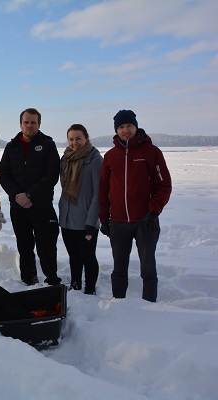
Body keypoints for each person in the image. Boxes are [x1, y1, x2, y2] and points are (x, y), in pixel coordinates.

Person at [99, 110, 172, 302]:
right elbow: (103, 190)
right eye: (121, 127)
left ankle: (149, 306)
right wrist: (104, 219)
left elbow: (164, 186)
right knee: (119, 268)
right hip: (118, 222)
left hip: (145, 221)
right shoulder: (110, 156)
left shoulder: (151, 152)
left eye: (129, 126)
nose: (126, 130)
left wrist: (154, 211)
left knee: (148, 269)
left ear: (136, 127)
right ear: (116, 130)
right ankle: (118, 304)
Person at [0, 108, 61, 286]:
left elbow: (52, 175)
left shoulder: (48, 144)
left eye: (33, 122)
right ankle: (28, 279)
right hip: (18, 206)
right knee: (24, 246)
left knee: (46, 246)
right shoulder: (12, 147)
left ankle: (51, 280)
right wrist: (17, 195)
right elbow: (3, 174)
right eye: (26, 122)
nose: (29, 125)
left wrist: (30, 195)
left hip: (41, 205)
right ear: (21, 124)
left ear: (39, 124)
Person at [58, 124, 103, 295]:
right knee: (74, 256)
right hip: (67, 218)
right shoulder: (66, 158)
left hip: (86, 220)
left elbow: (99, 193)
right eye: (71, 139)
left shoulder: (95, 160)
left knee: (88, 257)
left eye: (78, 138)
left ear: (86, 138)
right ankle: (75, 284)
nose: (74, 142)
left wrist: (92, 220)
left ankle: (90, 289)